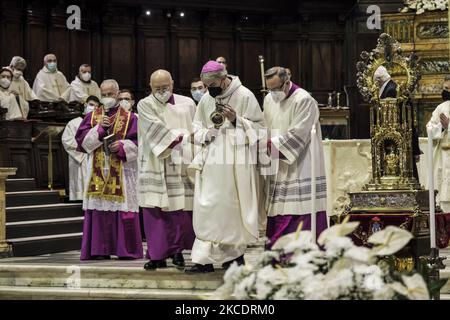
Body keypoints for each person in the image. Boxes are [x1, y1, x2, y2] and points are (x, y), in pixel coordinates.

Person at [186, 61, 265, 273]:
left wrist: (236, 119)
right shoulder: (206, 99)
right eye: (205, 85)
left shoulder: (245, 96)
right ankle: (203, 259)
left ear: (223, 77)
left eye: (211, 84)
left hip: (235, 163)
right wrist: (205, 134)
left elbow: (259, 130)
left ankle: (234, 257)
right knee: (207, 207)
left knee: (231, 209)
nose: (208, 88)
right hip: (211, 161)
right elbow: (196, 127)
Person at [75, 79, 143, 260]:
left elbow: (140, 145)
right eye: (103, 95)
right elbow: (82, 144)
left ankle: (125, 250)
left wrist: (121, 146)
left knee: (123, 210)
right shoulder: (92, 117)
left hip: (122, 171)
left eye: (110, 94)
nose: (107, 98)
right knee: (99, 210)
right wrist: (99, 129)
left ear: (118, 94)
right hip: (97, 172)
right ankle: (99, 250)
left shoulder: (131, 118)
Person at [261, 66, 328, 249]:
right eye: (269, 89)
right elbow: (265, 127)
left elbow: (299, 134)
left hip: (300, 163)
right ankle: (278, 253)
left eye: (276, 88)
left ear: (287, 81)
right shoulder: (269, 99)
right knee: (277, 210)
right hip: (278, 164)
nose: (273, 93)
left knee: (298, 208)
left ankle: (300, 255)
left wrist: (268, 145)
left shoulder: (304, 100)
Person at [137, 69, 196, 270]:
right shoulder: (145, 104)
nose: (162, 91)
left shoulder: (187, 103)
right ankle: (157, 255)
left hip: (181, 162)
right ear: (150, 87)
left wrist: (189, 141)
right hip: (155, 161)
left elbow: (196, 129)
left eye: (165, 87)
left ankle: (177, 251)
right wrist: (180, 137)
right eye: (157, 88)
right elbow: (155, 130)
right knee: (155, 212)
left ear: (172, 83)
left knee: (178, 211)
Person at [374, 65, 422, 177]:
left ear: (379, 79)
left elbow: (393, 115)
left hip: (395, 132)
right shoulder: (392, 86)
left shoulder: (390, 90)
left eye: (376, 81)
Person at [62, 96, 100, 201]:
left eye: (97, 107)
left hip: (95, 156)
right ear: (85, 104)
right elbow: (67, 140)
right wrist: (83, 151)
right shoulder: (73, 123)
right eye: (91, 105)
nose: (94, 108)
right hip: (79, 158)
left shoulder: (99, 123)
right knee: (80, 183)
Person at [426, 75, 450, 213]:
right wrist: (441, 127)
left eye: (448, 89)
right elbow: (429, 128)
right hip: (442, 157)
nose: (445, 92)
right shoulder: (440, 108)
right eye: (444, 88)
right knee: (443, 195)